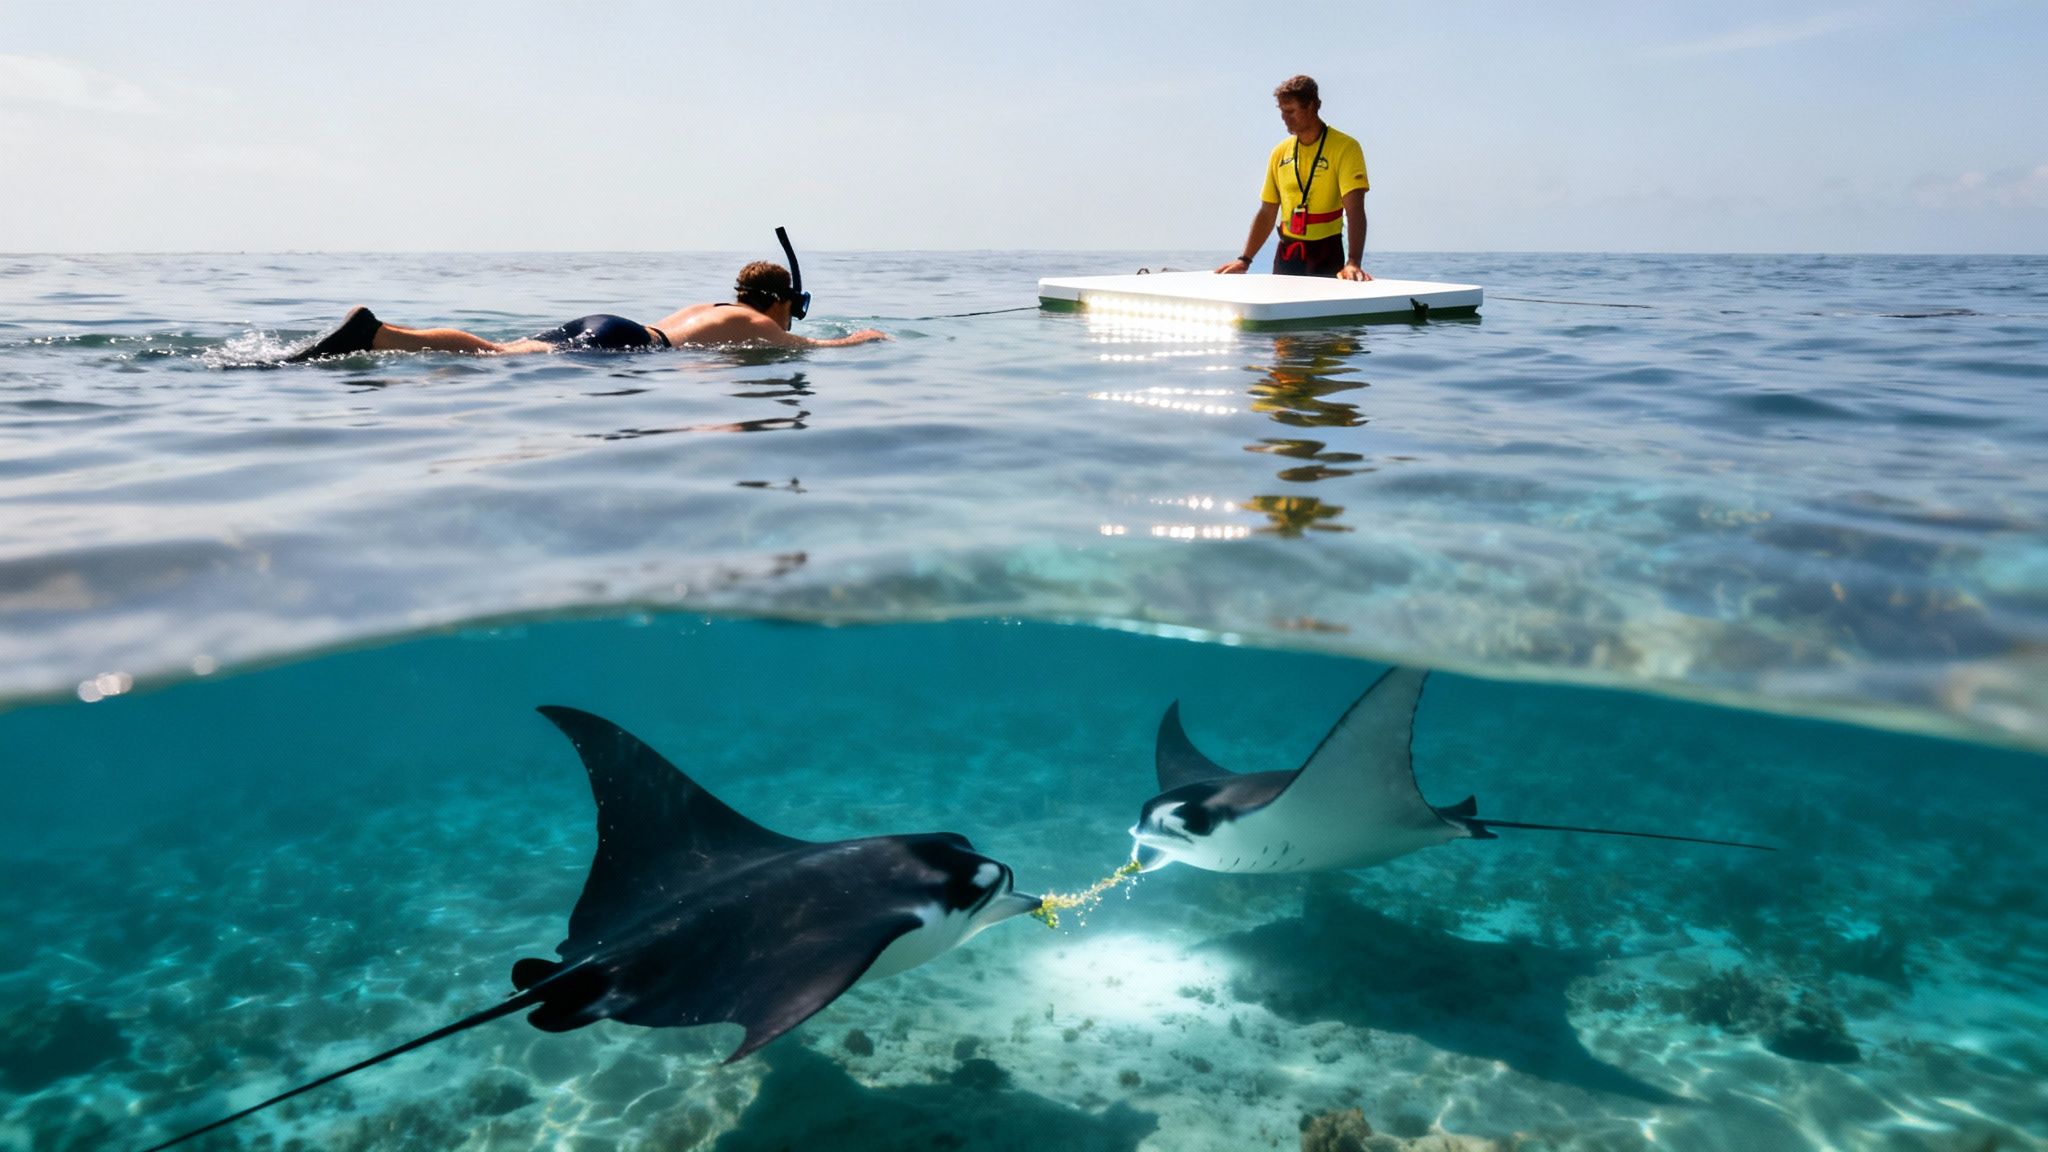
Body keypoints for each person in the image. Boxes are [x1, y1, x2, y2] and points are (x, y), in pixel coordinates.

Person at [285, 260, 885, 362]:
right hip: (631, 347)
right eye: (792, 309)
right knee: (498, 359)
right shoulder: (757, 324)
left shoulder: (714, 308)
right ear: (780, 300)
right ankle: (378, 335)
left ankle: (383, 335)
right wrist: (862, 339)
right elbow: (812, 351)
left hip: (614, 324)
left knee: (505, 352)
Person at [1214, 75, 1372, 281]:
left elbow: (1355, 210)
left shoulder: (1346, 148)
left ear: (1313, 106)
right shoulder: (1279, 152)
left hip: (1325, 253)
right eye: (1282, 111)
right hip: (1287, 254)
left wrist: (1353, 262)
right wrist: (1244, 259)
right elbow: (1267, 212)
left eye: (1291, 111)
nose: (1285, 118)